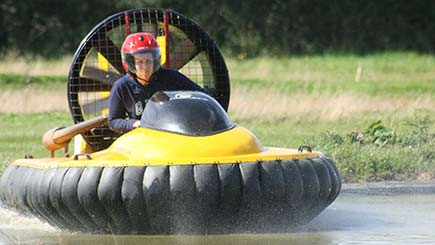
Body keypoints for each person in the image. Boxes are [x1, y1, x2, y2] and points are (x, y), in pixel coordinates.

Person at [108, 32, 208, 133]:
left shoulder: (171, 77)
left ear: (155, 61)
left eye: (148, 61)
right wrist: (134, 123)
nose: (145, 67)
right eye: (139, 62)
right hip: (142, 136)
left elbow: (202, 95)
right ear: (130, 63)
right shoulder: (122, 86)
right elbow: (114, 121)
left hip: (172, 132)